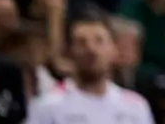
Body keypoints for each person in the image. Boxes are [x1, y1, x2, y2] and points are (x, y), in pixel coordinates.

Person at [26, 13, 155, 124]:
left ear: (114, 49)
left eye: (99, 41)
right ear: (70, 51)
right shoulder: (48, 105)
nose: (91, 50)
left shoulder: (135, 106)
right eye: (82, 43)